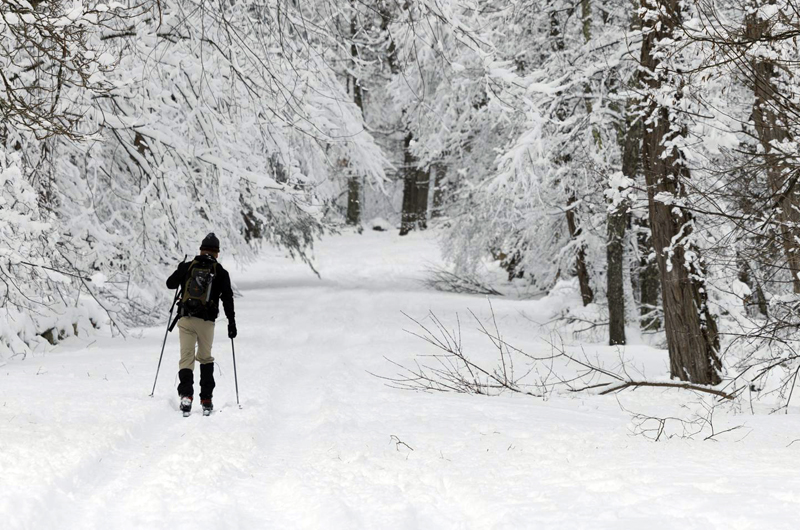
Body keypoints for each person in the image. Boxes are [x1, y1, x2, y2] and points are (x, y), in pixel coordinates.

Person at [166, 233, 237, 416]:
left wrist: (181, 270)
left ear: (200, 250)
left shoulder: (187, 266)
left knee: (186, 358)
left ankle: (186, 397)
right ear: (217, 253)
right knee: (205, 358)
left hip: (186, 319)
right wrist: (231, 322)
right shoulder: (220, 272)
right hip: (206, 322)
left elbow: (170, 284)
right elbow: (228, 298)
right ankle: (206, 399)